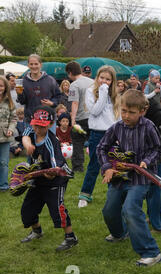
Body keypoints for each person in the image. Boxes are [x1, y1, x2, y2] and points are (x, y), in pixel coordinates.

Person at [97, 89, 161, 267]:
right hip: (119, 176)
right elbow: (101, 148)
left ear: (142, 111)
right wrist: (107, 167)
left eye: (131, 112)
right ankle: (120, 233)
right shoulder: (117, 127)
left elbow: (157, 149)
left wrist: (146, 161)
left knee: (130, 210)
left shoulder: (149, 127)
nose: (126, 116)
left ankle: (151, 252)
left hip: (140, 178)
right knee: (109, 210)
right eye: (123, 111)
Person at [20, 106, 78, 251]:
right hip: (38, 177)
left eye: (41, 126)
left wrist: (47, 173)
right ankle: (37, 231)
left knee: (57, 208)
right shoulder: (32, 131)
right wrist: (28, 145)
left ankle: (70, 237)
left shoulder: (51, 144)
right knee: (28, 209)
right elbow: (25, 135)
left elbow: (55, 170)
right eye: (35, 125)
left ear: (50, 125)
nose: (37, 129)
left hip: (55, 178)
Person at [78, 66, 121, 208]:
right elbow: (95, 111)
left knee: (114, 164)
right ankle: (85, 194)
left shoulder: (115, 94)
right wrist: (102, 91)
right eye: (102, 78)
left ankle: (113, 195)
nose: (104, 81)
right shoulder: (91, 91)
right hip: (97, 133)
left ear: (112, 81)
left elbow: (118, 115)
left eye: (108, 79)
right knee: (94, 164)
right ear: (97, 78)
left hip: (113, 133)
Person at [144, 90, 161, 233]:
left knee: (158, 190)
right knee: (151, 190)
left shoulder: (158, 116)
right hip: (151, 157)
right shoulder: (148, 115)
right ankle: (153, 216)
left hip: (160, 158)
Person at [17, 54, 62, 129]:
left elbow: (58, 96)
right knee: (30, 141)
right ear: (28, 65)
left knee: (49, 141)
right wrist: (19, 94)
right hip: (30, 120)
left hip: (48, 120)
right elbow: (22, 101)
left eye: (36, 64)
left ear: (41, 65)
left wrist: (52, 103)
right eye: (31, 64)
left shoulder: (50, 80)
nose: (34, 66)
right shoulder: (24, 81)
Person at [65, 61, 94, 172]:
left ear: (70, 72)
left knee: (77, 142)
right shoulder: (93, 82)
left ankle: (78, 168)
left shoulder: (74, 85)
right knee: (95, 143)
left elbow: (75, 103)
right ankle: (97, 165)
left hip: (81, 118)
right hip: (93, 117)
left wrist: (72, 119)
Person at [0, 75, 17, 191]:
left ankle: (3, 185)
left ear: (5, 87)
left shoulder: (9, 102)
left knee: (3, 163)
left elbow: (14, 118)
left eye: (1, 86)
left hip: (5, 137)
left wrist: (11, 129)